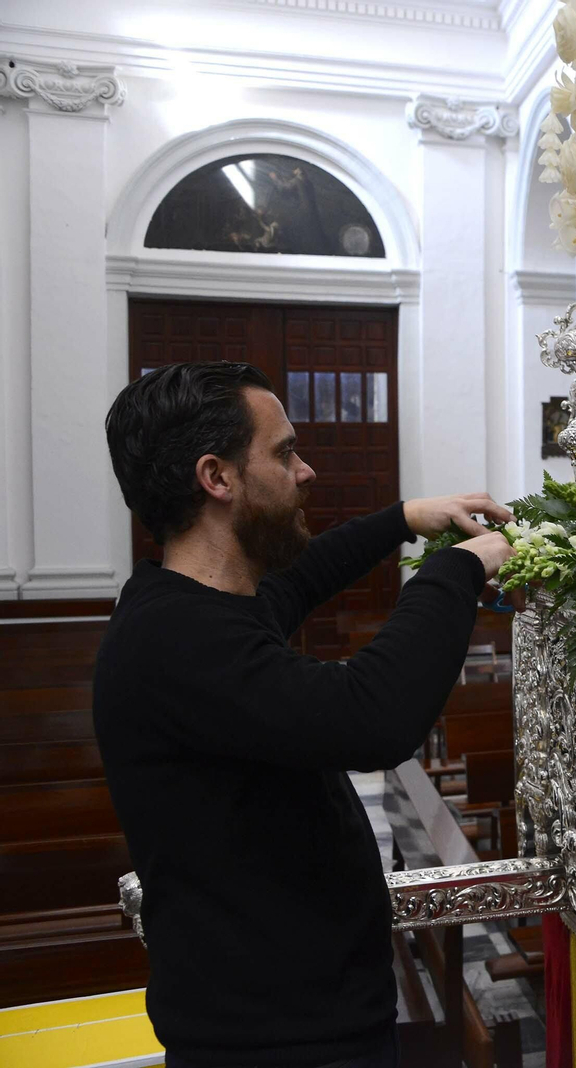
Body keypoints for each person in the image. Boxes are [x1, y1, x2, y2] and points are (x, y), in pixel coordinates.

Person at [95, 361, 515, 1068]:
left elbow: (308, 572)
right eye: (285, 452)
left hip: (309, 1021)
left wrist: (406, 518)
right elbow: (373, 717)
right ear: (217, 477)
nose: (308, 470)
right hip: (272, 1042)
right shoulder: (174, 641)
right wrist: (456, 570)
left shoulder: (203, 602)